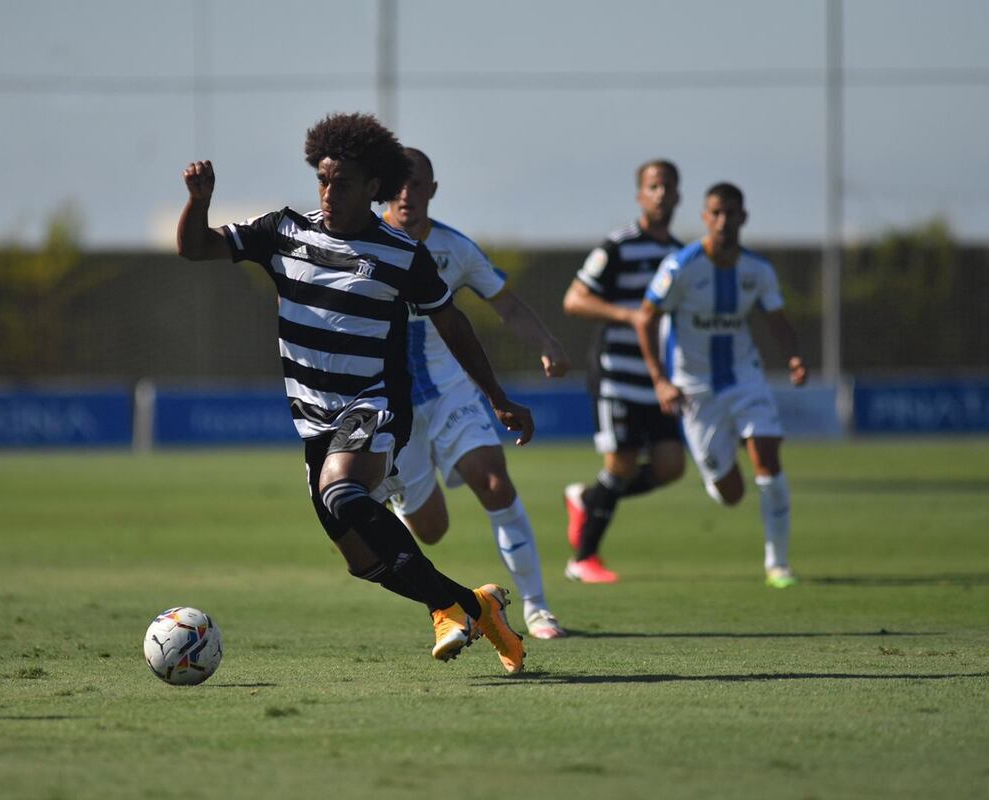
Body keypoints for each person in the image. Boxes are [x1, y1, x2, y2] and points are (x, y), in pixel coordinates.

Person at [177, 112, 530, 672]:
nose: (329, 192)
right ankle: (476, 605)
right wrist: (199, 202)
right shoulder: (283, 232)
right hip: (314, 419)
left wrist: (496, 395)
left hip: (376, 402)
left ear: (373, 188)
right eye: (322, 179)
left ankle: (445, 607)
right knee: (363, 562)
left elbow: (452, 322)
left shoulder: (401, 255)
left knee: (342, 493)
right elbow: (196, 248)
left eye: (342, 183)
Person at [383, 147, 571, 639]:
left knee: (494, 480)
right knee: (431, 530)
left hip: (451, 391)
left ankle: (537, 606)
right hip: (391, 404)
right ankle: (402, 502)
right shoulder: (363, 242)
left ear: (432, 190)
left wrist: (547, 342)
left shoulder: (455, 249)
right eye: (399, 184)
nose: (408, 194)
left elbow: (506, 305)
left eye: (418, 184)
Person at [633, 182, 808, 588]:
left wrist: (795, 356)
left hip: (746, 379)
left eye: (731, 212)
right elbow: (646, 318)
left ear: (744, 217)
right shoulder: (681, 267)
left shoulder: (757, 270)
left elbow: (777, 319)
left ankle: (778, 564)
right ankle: (719, 474)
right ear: (704, 217)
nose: (724, 220)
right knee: (731, 494)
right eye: (716, 212)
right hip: (695, 390)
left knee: (769, 461)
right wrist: (661, 380)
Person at [560, 159, 687, 583]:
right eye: (653, 186)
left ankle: (587, 497)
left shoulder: (680, 256)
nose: (662, 193)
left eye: (668, 186)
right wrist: (627, 315)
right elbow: (574, 300)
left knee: (670, 466)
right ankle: (583, 558)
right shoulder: (617, 246)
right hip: (617, 373)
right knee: (621, 463)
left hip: (659, 378)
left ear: (679, 195)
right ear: (640, 195)